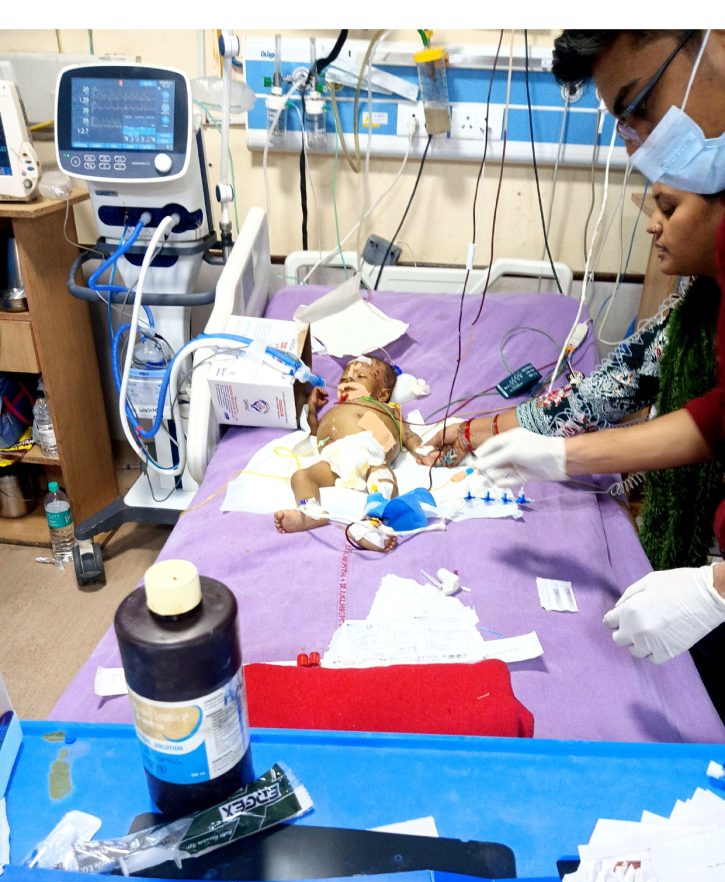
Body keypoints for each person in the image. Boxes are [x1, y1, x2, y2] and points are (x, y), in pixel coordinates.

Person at [473, 30, 725, 709]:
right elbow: (716, 415)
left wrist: (716, 589)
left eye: (638, 107)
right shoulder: (702, 293)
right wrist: (562, 455)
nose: (635, 145)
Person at [420, 184, 724, 575]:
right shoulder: (697, 306)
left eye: (668, 208)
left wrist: (563, 456)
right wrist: (474, 431)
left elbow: (708, 425)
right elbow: (605, 392)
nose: (652, 224)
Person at [274, 356, 423, 551]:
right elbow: (314, 432)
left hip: (371, 454)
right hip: (334, 459)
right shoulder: (337, 409)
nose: (350, 380)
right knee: (301, 476)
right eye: (344, 379)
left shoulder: (387, 409)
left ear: (383, 394)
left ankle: (372, 523)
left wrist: (421, 450)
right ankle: (311, 511)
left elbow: (407, 434)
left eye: (360, 376)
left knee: (383, 479)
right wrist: (312, 409)